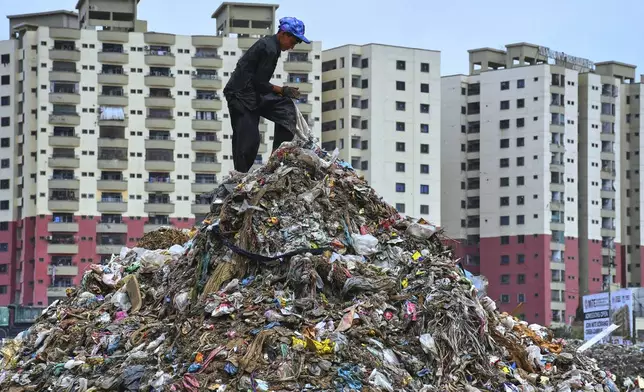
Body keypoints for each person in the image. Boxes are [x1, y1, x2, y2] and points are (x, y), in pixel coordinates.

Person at [224, 17, 311, 173]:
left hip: (253, 94)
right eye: (293, 42)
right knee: (248, 141)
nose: (292, 47)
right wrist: (283, 90)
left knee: (285, 107)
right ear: (284, 34)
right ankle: (239, 177)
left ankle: (277, 157)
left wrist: (282, 93)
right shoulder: (269, 48)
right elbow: (260, 83)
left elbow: (260, 85)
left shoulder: (273, 47)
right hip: (240, 97)